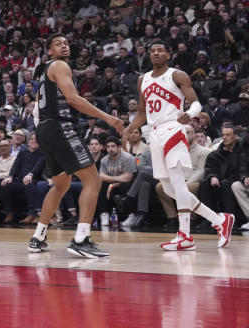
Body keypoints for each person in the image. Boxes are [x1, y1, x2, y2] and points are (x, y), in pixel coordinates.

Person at [123, 41, 234, 250]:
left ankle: (185, 235)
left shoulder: (177, 75)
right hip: (154, 134)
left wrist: (189, 114)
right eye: (152, 50)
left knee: (178, 184)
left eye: (160, 50)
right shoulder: (142, 80)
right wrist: (128, 129)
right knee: (167, 188)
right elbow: (142, 112)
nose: (155, 53)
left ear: (168, 54)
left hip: (173, 129)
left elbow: (196, 103)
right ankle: (219, 220)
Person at [27, 35, 125, 258]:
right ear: (49, 52)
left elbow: (35, 108)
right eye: (58, 44)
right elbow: (73, 98)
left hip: (43, 130)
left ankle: (38, 236)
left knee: (61, 186)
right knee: (93, 179)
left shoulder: (43, 73)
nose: (64, 45)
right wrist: (108, 118)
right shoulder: (60, 65)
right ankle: (82, 239)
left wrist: (44, 132)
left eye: (65, 43)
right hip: (59, 127)